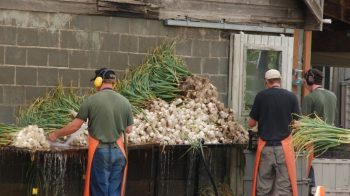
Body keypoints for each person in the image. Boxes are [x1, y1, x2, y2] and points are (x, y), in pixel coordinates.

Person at [48, 68, 134, 196]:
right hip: (119, 154)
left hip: (101, 154)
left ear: (98, 82)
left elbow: (74, 127)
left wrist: (55, 134)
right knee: (114, 192)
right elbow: (129, 129)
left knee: (100, 191)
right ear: (114, 83)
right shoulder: (125, 102)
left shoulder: (91, 100)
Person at [248, 69, 300, 196]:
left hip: (266, 148)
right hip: (284, 148)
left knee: (264, 187)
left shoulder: (261, 96)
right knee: (284, 188)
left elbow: (251, 123)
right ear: (280, 81)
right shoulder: (291, 96)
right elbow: (297, 124)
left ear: (266, 82)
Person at [302, 68, 337, 194]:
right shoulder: (333, 96)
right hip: (330, 142)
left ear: (310, 80)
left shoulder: (309, 98)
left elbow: (303, 124)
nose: (304, 83)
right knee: (327, 179)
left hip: (314, 144)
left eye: (305, 80)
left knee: (313, 179)